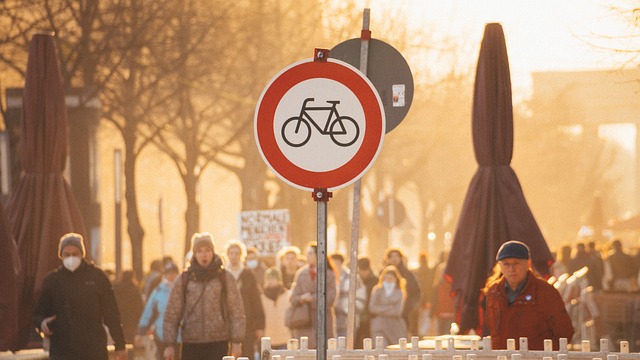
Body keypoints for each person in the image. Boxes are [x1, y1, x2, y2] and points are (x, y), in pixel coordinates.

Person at [34, 232, 128, 360]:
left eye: (75, 254)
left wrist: (120, 345)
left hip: (93, 350)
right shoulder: (52, 281)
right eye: (67, 254)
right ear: (60, 256)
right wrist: (42, 323)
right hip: (62, 350)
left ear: (82, 254)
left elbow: (111, 314)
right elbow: (38, 312)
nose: (71, 258)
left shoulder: (97, 277)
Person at [163, 232, 245, 360]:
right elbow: (172, 313)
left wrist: (236, 341)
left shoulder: (225, 277)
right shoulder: (184, 279)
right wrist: (169, 344)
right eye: (200, 251)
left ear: (213, 252)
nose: (204, 254)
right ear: (194, 254)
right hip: (191, 343)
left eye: (207, 250)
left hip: (219, 341)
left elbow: (236, 311)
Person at [484, 240, 574, 350]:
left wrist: (546, 355)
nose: (512, 269)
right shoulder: (494, 291)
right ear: (500, 266)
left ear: (528, 263)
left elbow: (564, 331)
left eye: (516, 263)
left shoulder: (545, 291)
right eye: (506, 264)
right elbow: (490, 330)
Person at [289, 242, 337, 348]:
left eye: (310, 253)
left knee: (324, 351)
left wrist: (313, 299)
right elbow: (293, 298)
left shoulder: (329, 273)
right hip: (305, 321)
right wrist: (302, 298)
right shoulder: (301, 274)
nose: (307, 256)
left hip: (323, 320)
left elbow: (331, 298)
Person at [225, 240, 265, 358]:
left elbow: (256, 301)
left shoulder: (248, 274)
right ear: (227, 255)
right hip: (227, 322)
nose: (234, 256)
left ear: (241, 255)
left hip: (247, 322)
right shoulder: (222, 274)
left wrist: (259, 326)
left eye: (236, 253)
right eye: (231, 253)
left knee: (247, 354)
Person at [135, 262, 180, 360]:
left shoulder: (182, 290)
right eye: (168, 273)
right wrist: (141, 331)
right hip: (161, 333)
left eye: (173, 273)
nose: (171, 276)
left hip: (179, 335)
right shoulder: (158, 290)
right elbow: (148, 311)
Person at [383, 248, 420, 337]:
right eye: (391, 256)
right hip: (385, 314)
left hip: (404, 313)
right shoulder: (383, 273)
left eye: (396, 256)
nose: (394, 259)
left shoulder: (408, 274)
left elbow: (415, 292)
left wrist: (408, 306)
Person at [330, 252, 367, 338]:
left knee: (346, 347)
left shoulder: (352, 277)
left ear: (340, 262)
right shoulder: (328, 277)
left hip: (348, 321)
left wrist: (346, 309)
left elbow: (361, 298)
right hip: (331, 320)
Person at [368, 265, 406, 347]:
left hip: (395, 327)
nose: (389, 280)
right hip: (379, 325)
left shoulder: (399, 292)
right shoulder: (377, 290)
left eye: (391, 278)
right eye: (387, 278)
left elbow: (397, 311)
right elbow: (372, 308)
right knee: (381, 348)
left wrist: (380, 309)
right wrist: (388, 308)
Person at [260, 267, 291, 349]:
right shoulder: (262, 298)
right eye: (268, 279)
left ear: (279, 279)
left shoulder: (287, 295)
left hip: (285, 337)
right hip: (267, 338)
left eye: (273, 278)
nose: (270, 281)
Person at [113, 269, 145, 346]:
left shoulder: (116, 289)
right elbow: (140, 307)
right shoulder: (135, 290)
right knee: (130, 344)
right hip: (132, 323)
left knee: (119, 343)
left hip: (119, 321)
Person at [355, 256, 378, 346]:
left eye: (365, 270)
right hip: (358, 314)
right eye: (361, 270)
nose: (363, 272)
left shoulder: (375, 280)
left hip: (370, 315)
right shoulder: (354, 280)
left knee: (368, 339)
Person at [412, 251, 435, 336]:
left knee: (419, 318)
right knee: (425, 317)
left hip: (420, 298)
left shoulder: (416, 271)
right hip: (427, 298)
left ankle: (419, 333)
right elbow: (430, 286)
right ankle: (423, 333)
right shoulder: (430, 271)